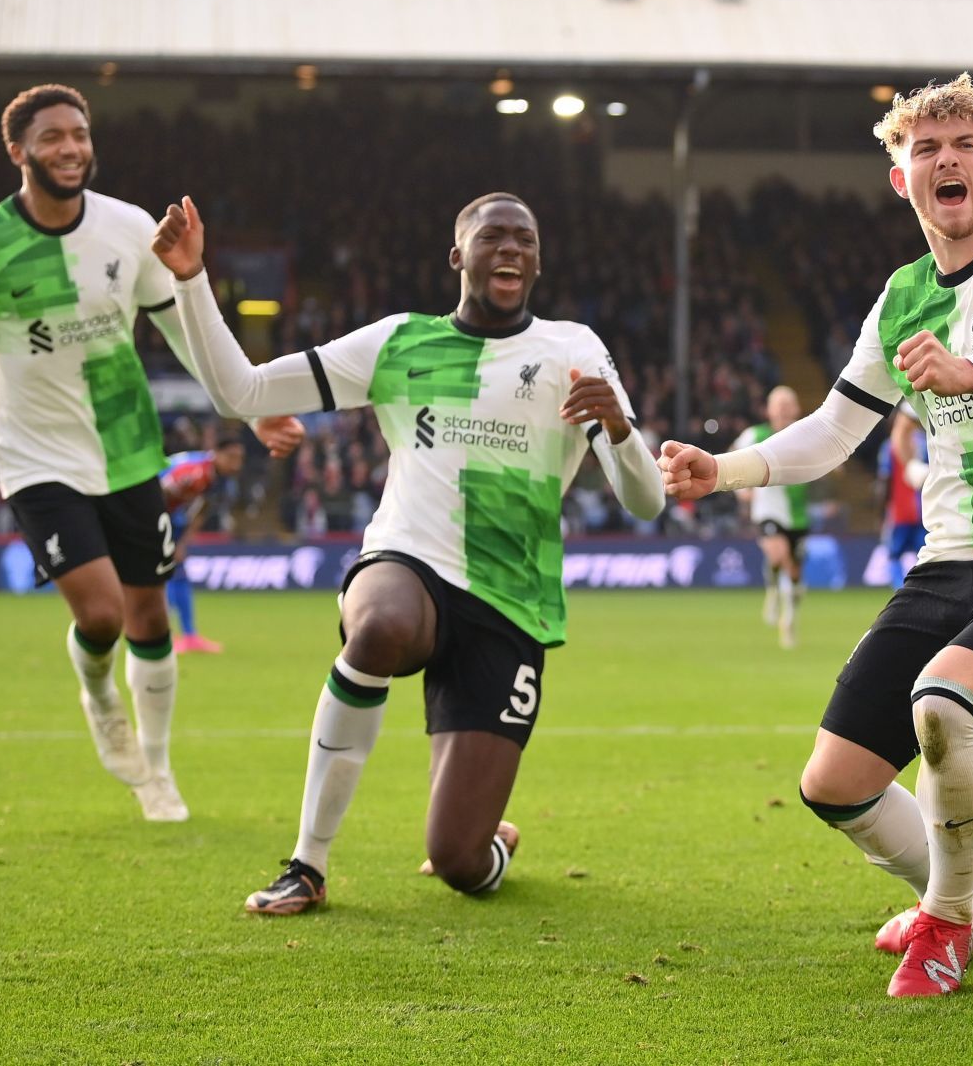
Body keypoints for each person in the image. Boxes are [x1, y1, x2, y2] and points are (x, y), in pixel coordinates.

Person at [659, 75, 973, 996]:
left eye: (963, 145)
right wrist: (728, 470)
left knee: (944, 702)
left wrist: (968, 367)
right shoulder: (902, 295)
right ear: (900, 179)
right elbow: (834, 429)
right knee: (834, 782)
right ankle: (963, 892)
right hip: (946, 559)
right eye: (926, 148)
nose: (946, 159)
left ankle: (945, 924)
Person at [151, 190, 665, 915]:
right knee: (380, 625)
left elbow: (645, 501)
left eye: (526, 238)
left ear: (539, 260)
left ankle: (487, 837)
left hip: (509, 603)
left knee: (460, 862)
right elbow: (245, 391)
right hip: (408, 562)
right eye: (493, 236)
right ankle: (308, 863)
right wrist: (190, 278)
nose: (512, 248)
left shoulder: (571, 349)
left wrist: (618, 428)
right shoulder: (399, 342)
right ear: (459, 255)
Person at [0, 84, 303, 821]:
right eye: (54, 136)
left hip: (127, 446)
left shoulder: (128, 229)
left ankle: (157, 772)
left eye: (81, 133)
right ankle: (99, 694)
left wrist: (246, 408)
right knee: (101, 616)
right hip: (35, 457)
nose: (71, 147)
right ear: (18, 151)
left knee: (150, 619)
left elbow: (180, 330)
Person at [730, 386, 810, 648]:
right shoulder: (756, 435)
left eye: (789, 404)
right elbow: (731, 457)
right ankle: (775, 591)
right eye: (779, 404)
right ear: (769, 409)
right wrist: (742, 489)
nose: (785, 409)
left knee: (795, 573)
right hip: (767, 510)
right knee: (778, 554)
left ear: (797, 409)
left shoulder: (807, 434)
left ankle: (788, 615)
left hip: (798, 514)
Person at [159, 437, 247, 654]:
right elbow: (158, 492)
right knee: (163, 574)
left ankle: (187, 636)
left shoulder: (221, 478)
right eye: (232, 458)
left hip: (173, 517)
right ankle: (164, 634)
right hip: (154, 514)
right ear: (216, 453)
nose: (236, 464)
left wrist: (182, 543)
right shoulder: (194, 472)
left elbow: (202, 510)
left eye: (240, 459)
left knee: (176, 573)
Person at [877, 404, 928, 589]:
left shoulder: (888, 447)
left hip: (902, 511)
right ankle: (917, 587)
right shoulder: (926, 442)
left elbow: (885, 480)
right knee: (922, 552)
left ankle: (900, 588)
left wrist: (883, 511)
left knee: (894, 553)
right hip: (921, 510)